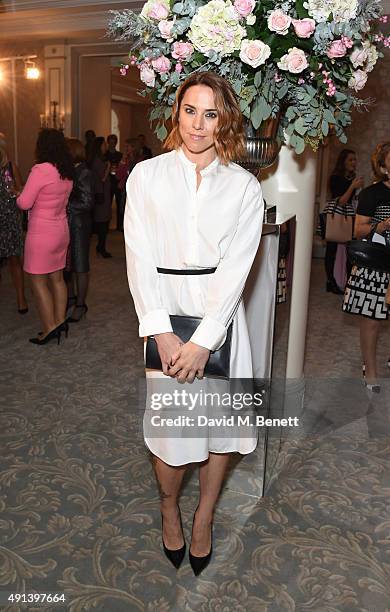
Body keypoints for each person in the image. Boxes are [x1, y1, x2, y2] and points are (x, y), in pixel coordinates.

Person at [124, 72, 264, 575]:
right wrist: (160, 332)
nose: (198, 124)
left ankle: (204, 515)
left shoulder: (245, 186)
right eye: (190, 110)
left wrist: (205, 340)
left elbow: (236, 269)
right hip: (161, 311)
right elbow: (138, 257)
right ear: (176, 112)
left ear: (223, 120)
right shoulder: (146, 175)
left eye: (210, 114)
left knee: (218, 428)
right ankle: (169, 508)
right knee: (171, 431)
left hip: (220, 317)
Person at [17, 128, 74, 345]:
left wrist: (18, 194)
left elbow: (24, 203)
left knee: (37, 281)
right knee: (57, 279)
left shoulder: (41, 170)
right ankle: (59, 322)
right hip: (61, 230)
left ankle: (49, 327)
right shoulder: (66, 170)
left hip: (41, 233)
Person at [343, 141, 390, 392]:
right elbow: (358, 229)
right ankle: (370, 371)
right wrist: (382, 225)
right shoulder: (372, 194)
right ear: (384, 167)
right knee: (372, 320)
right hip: (376, 265)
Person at [325, 149, 364, 294]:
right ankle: (331, 282)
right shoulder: (335, 178)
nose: (354, 163)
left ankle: (348, 282)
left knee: (350, 250)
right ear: (343, 162)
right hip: (336, 215)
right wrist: (352, 186)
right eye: (350, 160)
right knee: (331, 250)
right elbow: (341, 201)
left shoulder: (351, 178)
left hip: (348, 216)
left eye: (355, 160)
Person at [65, 138, 93, 323]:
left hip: (80, 225)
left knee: (81, 265)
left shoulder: (83, 172)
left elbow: (87, 202)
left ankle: (81, 305)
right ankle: (71, 298)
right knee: (68, 265)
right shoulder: (71, 170)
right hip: (68, 224)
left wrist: (63, 204)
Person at [0, 143, 28, 314]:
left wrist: (16, 191)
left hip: (10, 221)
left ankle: (21, 299)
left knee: (14, 261)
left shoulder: (11, 167)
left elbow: (23, 191)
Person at [87, 137, 112, 258]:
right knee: (102, 221)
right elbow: (102, 177)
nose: (106, 145)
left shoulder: (99, 159)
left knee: (104, 219)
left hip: (103, 193)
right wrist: (108, 166)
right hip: (100, 194)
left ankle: (101, 246)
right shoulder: (97, 161)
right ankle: (101, 247)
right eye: (104, 144)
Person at [105, 134, 123, 231]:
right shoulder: (105, 155)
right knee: (107, 204)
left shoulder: (119, 155)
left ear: (116, 143)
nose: (112, 144)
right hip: (108, 181)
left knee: (119, 203)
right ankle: (106, 225)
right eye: (110, 142)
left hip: (117, 181)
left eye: (113, 142)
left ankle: (119, 225)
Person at [115, 138, 136, 222]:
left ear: (134, 147)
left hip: (135, 189)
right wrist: (122, 162)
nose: (126, 148)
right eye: (126, 146)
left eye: (128, 146)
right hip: (125, 190)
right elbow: (118, 176)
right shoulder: (125, 160)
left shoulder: (140, 160)